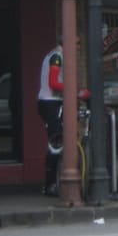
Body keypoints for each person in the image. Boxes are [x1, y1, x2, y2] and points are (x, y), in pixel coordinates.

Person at [37, 37, 88, 197]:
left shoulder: (61, 55)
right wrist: (76, 91)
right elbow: (53, 83)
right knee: (56, 142)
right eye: (77, 43)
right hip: (49, 103)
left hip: (57, 102)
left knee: (63, 140)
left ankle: (53, 182)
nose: (79, 47)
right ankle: (50, 185)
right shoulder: (57, 56)